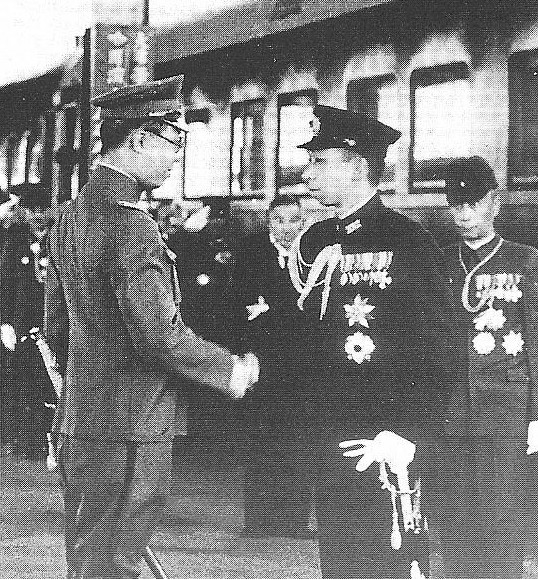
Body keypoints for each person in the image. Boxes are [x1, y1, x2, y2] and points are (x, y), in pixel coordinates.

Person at [44, 75, 259, 579]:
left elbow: (56, 325)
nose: (174, 158)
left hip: (84, 415)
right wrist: (230, 368)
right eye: (171, 143)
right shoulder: (132, 226)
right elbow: (158, 332)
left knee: (90, 554)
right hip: (135, 423)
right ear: (138, 139)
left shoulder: (71, 218)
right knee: (118, 560)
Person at [288, 105, 462, 579]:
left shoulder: (409, 242)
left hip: (385, 439)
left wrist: (409, 431)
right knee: (341, 565)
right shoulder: (316, 240)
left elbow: (440, 347)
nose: (307, 175)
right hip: (328, 435)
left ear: (357, 164)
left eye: (320, 162)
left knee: (388, 564)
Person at [441, 156, 538, 579]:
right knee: (454, 526)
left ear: (494, 204)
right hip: (450, 416)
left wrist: (536, 415)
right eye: (455, 204)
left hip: (505, 414)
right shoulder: (440, 263)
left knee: (502, 524)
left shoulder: (525, 261)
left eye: (473, 202)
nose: (463, 213)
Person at [233, 195, 314, 538]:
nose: (286, 228)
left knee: (298, 441)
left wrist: (271, 311)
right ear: (269, 221)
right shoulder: (251, 257)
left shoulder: (310, 258)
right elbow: (237, 308)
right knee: (263, 441)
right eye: (279, 220)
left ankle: (294, 521)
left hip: (299, 367)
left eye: (293, 221)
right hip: (262, 365)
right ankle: (261, 520)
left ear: (302, 223)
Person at [0, 183, 54, 459]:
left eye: (42, 209)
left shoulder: (59, 237)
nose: (38, 215)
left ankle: (52, 440)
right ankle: (30, 441)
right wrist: (5, 321)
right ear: (22, 211)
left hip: (53, 320)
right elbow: (5, 281)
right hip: (23, 321)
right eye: (31, 210)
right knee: (26, 379)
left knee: (52, 380)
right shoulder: (13, 240)